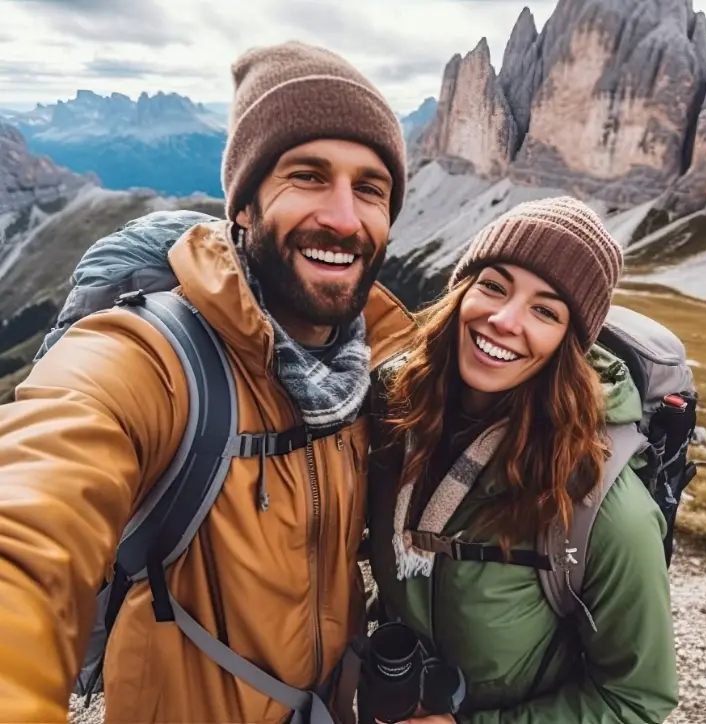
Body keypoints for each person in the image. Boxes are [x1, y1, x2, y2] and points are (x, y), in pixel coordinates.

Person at [0, 41, 414, 723]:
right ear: (244, 206)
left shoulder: (370, 365)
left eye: (370, 188)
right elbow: (33, 502)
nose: (344, 218)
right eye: (308, 176)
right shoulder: (153, 357)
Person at [363, 198, 679, 724]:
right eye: (493, 285)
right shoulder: (395, 416)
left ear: (568, 345)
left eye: (545, 310)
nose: (504, 320)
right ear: (460, 292)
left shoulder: (604, 510)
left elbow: (636, 699)